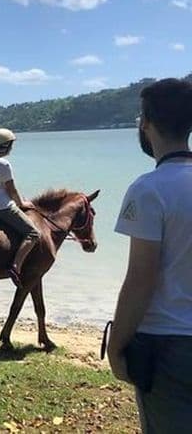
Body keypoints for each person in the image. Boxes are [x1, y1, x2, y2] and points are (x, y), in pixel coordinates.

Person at [107, 78, 192, 432]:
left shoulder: (148, 189)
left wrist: (116, 346)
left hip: (169, 345)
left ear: (145, 122)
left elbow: (142, 278)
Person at [0, 128, 40, 287]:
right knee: (33, 233)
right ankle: (16, 266)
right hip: (1, 207)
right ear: (6, 145)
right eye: (11, 145)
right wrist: (22, 203)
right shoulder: (4, 164)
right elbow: (11, 189)